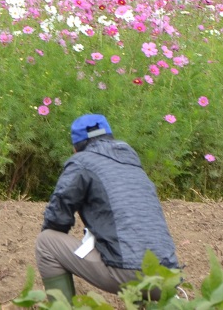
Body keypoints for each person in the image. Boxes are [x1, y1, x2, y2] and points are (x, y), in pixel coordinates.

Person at [36, 114, 179, 302]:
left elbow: (58, 216)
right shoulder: (133, 163)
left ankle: (61, 307)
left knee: (47, 243)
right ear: (110, 136)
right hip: (168, 277)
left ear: (75, 147)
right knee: (132, 245)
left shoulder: (81, 162)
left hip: (128, 274)